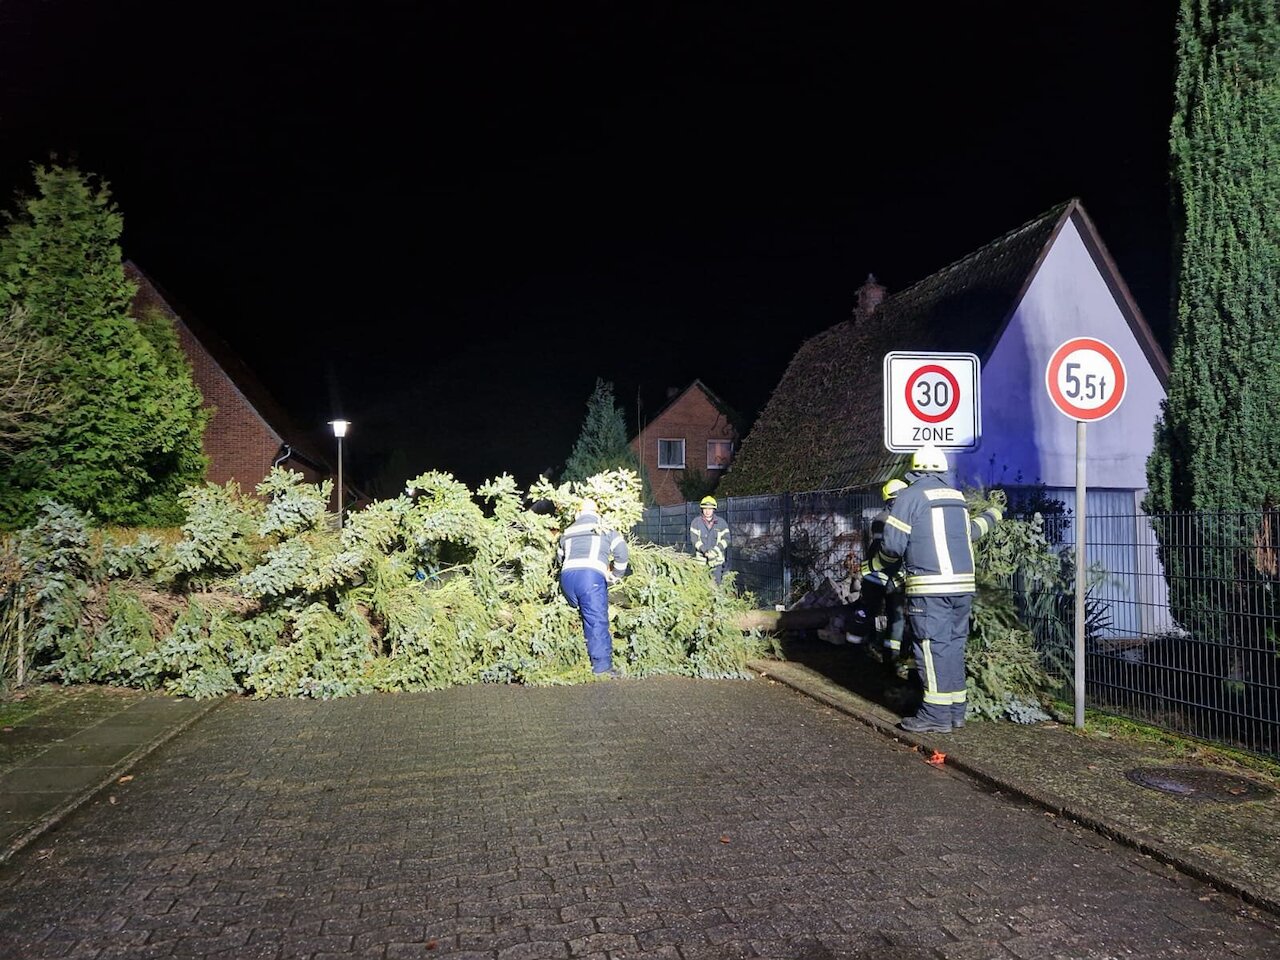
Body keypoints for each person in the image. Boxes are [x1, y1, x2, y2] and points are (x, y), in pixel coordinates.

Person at [865, 447, 1003, 732]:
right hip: (963, 588)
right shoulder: (956, 497)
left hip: (930, 587)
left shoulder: (910, 496)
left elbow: (892, 546)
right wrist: (993, 515)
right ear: (941, 470)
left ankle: (935, 715)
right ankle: (956, 711)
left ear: (914, 470)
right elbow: (971, 532)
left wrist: (878, 564)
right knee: (953, 645)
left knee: (930, 647)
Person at [557, 498, 629, 676]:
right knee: (596, 621)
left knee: (575, 613)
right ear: (597, 513)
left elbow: (560, 557)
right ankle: (602, 667)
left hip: (566, 578)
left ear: (578, 513)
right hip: (589, 577)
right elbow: (622, 552)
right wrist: (615, 576)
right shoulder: (605, 527)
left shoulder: (568, 531)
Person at [857, 479, 908, 666]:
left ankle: (862, 647)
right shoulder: (908, 518)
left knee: (867, 612)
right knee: (896, 617)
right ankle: (891, 658)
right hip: (895, 578)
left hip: (873, 575)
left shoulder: (880, 518)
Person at [689, 495, 731, 584]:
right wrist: (705, 551)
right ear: (702, 509)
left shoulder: (722, 523)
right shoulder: (696, 523)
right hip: (700, 562)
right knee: (701, 585)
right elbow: (694, 540)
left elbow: (726, 540)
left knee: (716, 586)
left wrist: (714, 551)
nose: (707, 511)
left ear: (713, 509)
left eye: (710, 509)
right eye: (705, 509)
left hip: (717, 562)